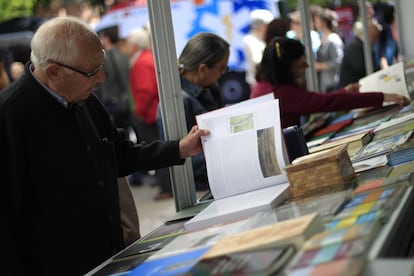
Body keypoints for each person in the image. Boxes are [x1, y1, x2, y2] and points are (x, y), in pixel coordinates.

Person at [0, 16, 209, 276]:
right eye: (91, 71)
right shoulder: (10, 116)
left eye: (101, 66)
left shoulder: (84, 99)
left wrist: (179, 148)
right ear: (54, 71)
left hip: (108, 257)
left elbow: (119, 154)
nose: (101, 77)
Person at [250, 37, 408, 129]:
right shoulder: (280, 93)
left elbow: (317, 101)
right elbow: (326, 102)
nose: (306, 67)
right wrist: (382, 97)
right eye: (301, 64)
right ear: (287, 66)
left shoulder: (264, 86)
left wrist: (345, 92)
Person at [157, 32, 229, 194]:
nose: (223, 74)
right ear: (203, 69)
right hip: (199, 190)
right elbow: (180, 158)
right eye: (222, 69)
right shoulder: (177, 102)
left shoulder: (209, 89)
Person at [95, 25, 133, 131]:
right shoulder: (123, 54)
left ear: (106, 38)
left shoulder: (106, 58)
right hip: (126, 101)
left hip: (113, 104)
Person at [338, 20, 381, 87]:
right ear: (366, 33)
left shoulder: (361, 45)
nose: (375, 40)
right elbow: (362, 68)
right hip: (351, 89)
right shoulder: (354, 46)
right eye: (374, 36)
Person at [314, 8, 344, 92]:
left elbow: (338, 61)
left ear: (323, 22)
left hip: (332, 83)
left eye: (317, 21)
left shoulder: (333, 39)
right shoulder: (323, 37)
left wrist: (319, 66)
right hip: (325, 82)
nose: (315, 23)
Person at [242, 9, 274, 89]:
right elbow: (257, 61)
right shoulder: (250, 40)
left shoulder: (263, 38)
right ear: (262, 26)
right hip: (258, 82)